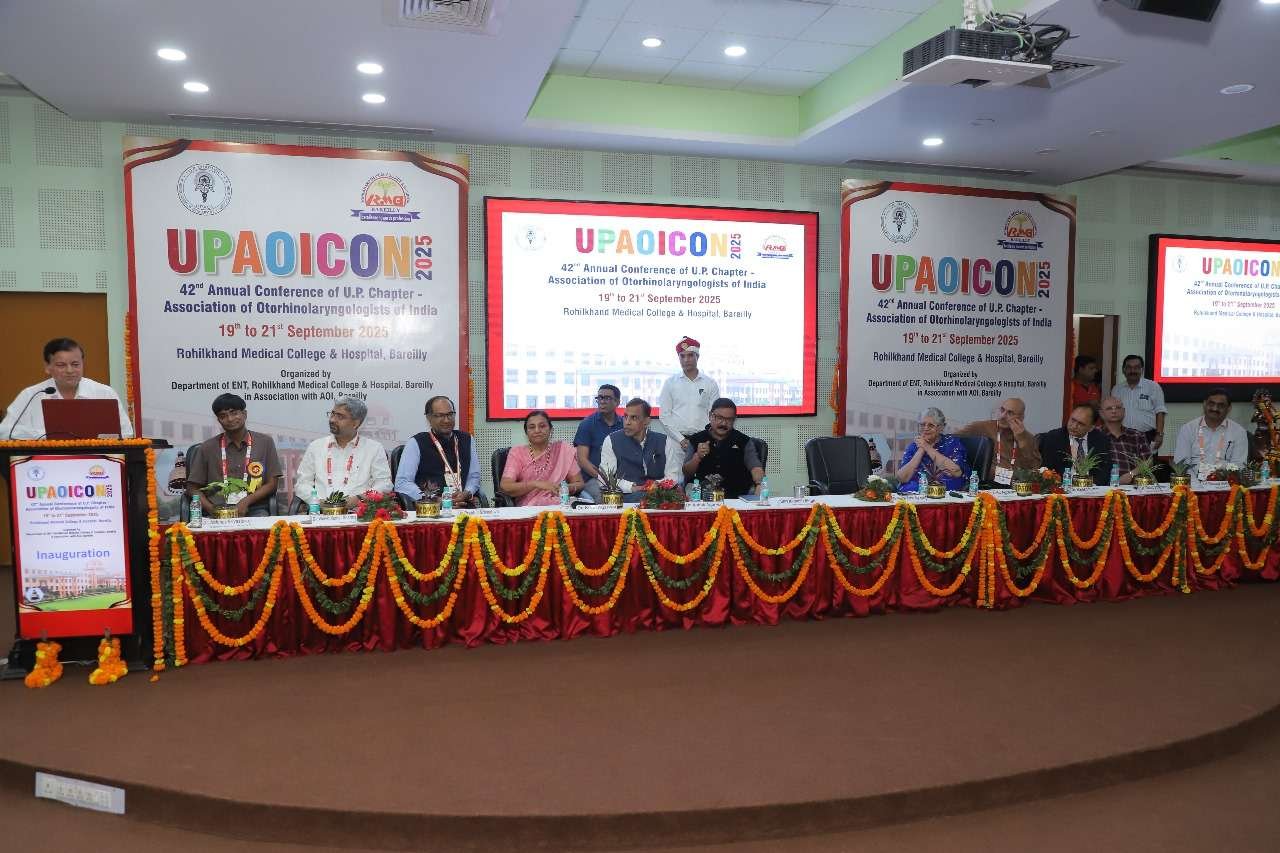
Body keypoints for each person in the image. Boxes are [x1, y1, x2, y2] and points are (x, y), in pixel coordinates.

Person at [1, 337, 134, 439]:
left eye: (75, 364)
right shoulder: (31, 395)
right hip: (45, 462)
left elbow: (127, 433)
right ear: (47, 367)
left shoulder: (104, 393)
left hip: (96, 462)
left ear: (83, 364)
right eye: (61, 365)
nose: (70, 370)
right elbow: (5, 432)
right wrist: (47, 435)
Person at [185, 393, 282, 517]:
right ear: (218, 420)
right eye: (223, 416)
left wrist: (246, 501)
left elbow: (272, 484)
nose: (230, 419)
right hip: (217, 510)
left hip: (254, 508)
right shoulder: (207, 447)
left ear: (244, 414)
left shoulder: (265, 442)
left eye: (234, 413)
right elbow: (192, 488)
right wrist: (211, 509)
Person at [294, 397, 392, 509]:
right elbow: (302, 484)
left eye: (340, 416)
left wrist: (360, 499)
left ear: (355, 423)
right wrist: (318, 502)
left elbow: (384, 484)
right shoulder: (316, 447)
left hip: (359, 513)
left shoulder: (374, 448)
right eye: (332, 414)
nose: (332, 420)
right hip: (321, 513)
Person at [395, 395, 481, 508]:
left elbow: (474, 476)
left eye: (450, 414)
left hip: (463, 505)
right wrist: (433, 499)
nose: (446, 420)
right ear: (429, 418)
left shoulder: (467, 440)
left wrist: (467, 493)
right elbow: (402, 483)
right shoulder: (416, 443)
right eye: (440, 415)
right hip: (430, 508)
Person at [598, 398, 683, 500]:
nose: (627, 422)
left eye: (633, 418)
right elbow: (605, 478)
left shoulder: (664, 441)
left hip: (660, 494)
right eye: (625, 417)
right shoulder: (611, 440)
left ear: (646, 421)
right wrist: (632, 487)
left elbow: (674, 476)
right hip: (626, 496)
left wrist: (655, 486)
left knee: (678, 493)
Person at [681, 398, 765, 498]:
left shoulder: (744, 441)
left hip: (736, 496)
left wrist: (759, 484)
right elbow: (687, 473)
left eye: (729, 419)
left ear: (734, 419)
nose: (724, 423)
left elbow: (755, 467)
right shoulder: (696, 439)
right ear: (710, 416)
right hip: (703, 497)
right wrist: (697, 457)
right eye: (719, 418)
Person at [500, 410, 584, 506]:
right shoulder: (517, 453)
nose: (537, 430)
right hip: (529, 508)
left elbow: (579, 483)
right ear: (526, 432)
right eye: (532, 427)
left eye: (542, 426)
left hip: (560, 505)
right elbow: (506, 486)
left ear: (551, 429)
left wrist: (566, 488)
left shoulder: (563, 450)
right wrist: (536, 484)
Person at [957, 397, 1041, 486]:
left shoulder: (1028, 438)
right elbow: (951, 439)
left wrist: (1022, 441)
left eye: (1010, 413)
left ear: (1021, 418)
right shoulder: (980, 427)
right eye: (1002, 410)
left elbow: (1034, 469)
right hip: (987, 485)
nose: (1003, 416)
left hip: (1016, 487)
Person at [657, 336, 720, 451]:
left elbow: (714, 415)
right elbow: (664, 415)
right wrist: (681, 439)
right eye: (682, 356)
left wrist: (705, 438)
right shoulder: (670, 383)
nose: (686, 360)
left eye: (690, 355)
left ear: (697, 357)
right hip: (676, 442)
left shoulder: (710, 384)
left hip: (702, 442)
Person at [1173, 388, 1248, 481]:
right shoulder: (1188, 429)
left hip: (1225, 484)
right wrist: (1196, 484)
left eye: (1221, 405)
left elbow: (1239, 465)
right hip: (1193, 484)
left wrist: (1220, 478)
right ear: (1204, 404)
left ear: (1229, 408)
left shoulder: (1239, 432)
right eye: (1211, 404)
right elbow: (1181, 464)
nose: (1215, 408)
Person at [895, 407, 969, 492]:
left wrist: (927, 447)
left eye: (931, 425)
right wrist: (921, 450)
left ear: (941, 427)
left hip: (945, 491)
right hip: (916, 492)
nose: (926, 428)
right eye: (922, 425)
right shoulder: (914, 446)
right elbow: (902, 478)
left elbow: (956, 472)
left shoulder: (951, 442)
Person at [1038, 403, 1114, 485]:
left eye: (1081, 424)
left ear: (1091, 428)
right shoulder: (1053, 438)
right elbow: (1047, 470)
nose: (1074, 426)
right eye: (1073, 420)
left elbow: (1105, 471)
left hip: (1092, 487)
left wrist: (1092, 486)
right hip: (1062, 487)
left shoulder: (1101, 440)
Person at [573, 383, 623, 502]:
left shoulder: (624, 424)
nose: (602, 401)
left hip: (620, 477)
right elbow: (582, 460)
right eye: (599, 398)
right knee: (606, 498)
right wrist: (605, 479)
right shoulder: (587, 424)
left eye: (607, 398)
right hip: (593, 478)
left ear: (617, 402)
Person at [1111, 354, 1167, 452]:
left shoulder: (1153, 387)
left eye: (1136, 367)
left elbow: (1160, 411)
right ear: (1123, 370)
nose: (1132, 371)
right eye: (1129, 367)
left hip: (1147, 436)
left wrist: (1159, 434)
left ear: (1142, 370)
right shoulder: (1117, 390)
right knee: (1124, 462)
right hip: (1123, 437)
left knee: (1147, 462)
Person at [1098, 396, 1150, 484]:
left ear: (1124, 411)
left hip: (1132, 487)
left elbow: (1148, 462)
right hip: (1100, 487)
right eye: (1109, 408)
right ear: (1101, 413)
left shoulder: (1137, 435)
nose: (1114, 411)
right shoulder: (1093, 434)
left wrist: (1131, 474)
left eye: (1118, 408)